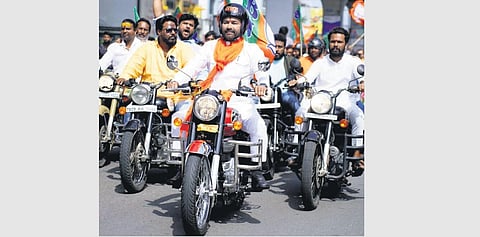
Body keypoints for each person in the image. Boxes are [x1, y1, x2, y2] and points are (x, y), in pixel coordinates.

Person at [167, 3, 271, 190]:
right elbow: (192, 68)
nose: (229, 26)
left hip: (239, 101)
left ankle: (256, 168)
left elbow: (262, 75)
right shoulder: (209, 46)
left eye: (234, 22)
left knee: (258, 125)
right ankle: (179, 164)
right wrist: (176, 80)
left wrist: (262, 86)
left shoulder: (252, 50)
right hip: (210, 100)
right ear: (220, 24)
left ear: (243, 25)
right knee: (178, 118)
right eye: (226, 22)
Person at [294, 26, 364, 169]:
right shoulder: (320, 62)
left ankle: (356, 154)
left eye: (339, 42)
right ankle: (296, 151)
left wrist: (363, 83)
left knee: (359, 117)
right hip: (321, 101)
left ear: (345, 44)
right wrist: (298, 82)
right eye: (333, 42)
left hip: (345, 101)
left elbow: (363, 76)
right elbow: (307, 77)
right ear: (328, 43)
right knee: (300, 112)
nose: (336, 45)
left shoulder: (353, 61)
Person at [115, 15, 195, 85]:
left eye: (175, 30)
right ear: (159, 31)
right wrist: (124, 78)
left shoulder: (184, 49)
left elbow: (192, 69)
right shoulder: (146, 48)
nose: (173, 33)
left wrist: (178, 81)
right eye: (169, 30)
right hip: (150, 95)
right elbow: (133, 67)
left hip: (178, 96)